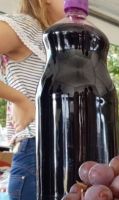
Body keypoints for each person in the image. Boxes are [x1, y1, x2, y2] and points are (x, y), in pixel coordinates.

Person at [0, 0, 64, 199]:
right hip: (37, 153)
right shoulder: (27, 25)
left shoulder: (57, 39)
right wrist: (19, 100)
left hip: (61, 151)